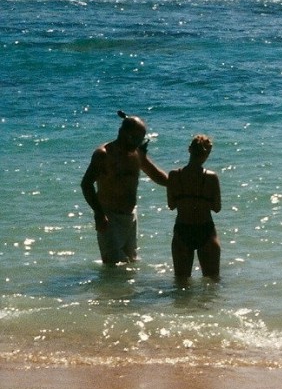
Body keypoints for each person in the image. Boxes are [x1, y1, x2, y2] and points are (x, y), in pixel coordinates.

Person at [81, 112, 168, 265]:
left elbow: (157, 176)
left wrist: (183, 181)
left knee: (130, 265)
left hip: (131, 217)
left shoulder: (137, 153)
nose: (137, 143)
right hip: (109, 219)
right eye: (134, 138)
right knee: (113, 268)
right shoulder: (104, 154)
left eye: (141, 139)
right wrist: (99, 214)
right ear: (122, 133)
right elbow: (86, 184)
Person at [167, 135, 222, 281]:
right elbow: (217, 208)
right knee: (212, 282)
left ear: (189, 150)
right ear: (207, 154)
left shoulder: (174, 175)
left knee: (181, 284)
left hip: (182, 229)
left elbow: (171, 205)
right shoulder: (211, 177)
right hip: (206, 230)